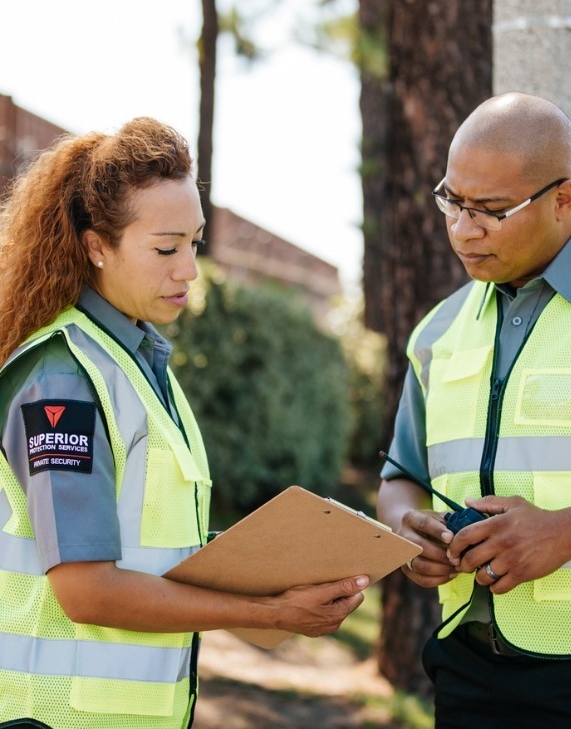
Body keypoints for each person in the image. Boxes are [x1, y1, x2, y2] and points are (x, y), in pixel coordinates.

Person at [0, 117, 368, 729]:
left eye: (194, 244)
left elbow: (151, 553)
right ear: (97, 246)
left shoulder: (137, 364)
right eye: (166, 248)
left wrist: (280, 579)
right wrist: (271, 615)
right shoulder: (64, 380)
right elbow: (86, 591)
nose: (188, 270)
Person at [376, 92, 571, 728]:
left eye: (492, 211)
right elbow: (401, 477)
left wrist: (567, 531)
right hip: (466, 671)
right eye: (453, 200)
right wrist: (402, 529)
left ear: (564, 199)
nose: (462, 230)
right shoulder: (437, 333)